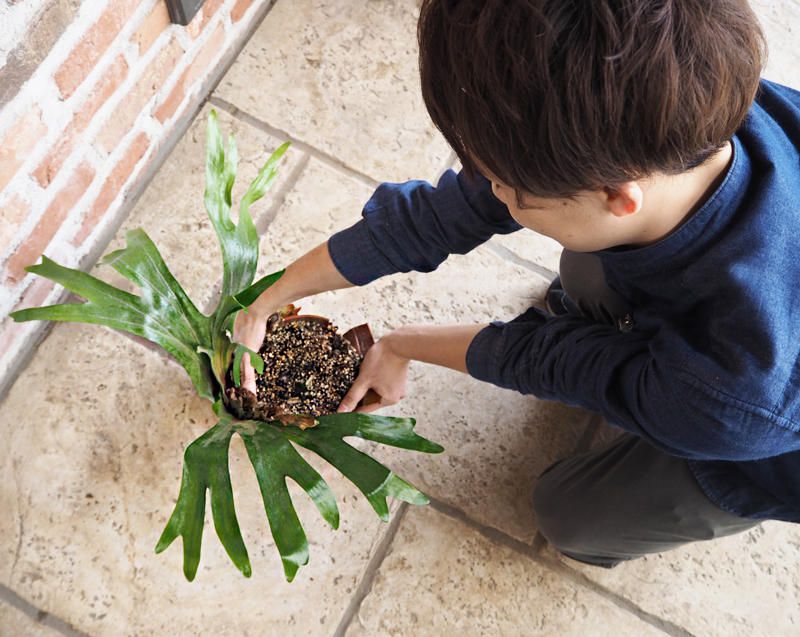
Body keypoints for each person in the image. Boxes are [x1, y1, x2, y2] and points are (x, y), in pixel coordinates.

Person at [234, 0, 800, 568]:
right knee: (585, 266)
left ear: (617, 198)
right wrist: (273, 297)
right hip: (703, 363)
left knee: (571, 516)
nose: (490, 192)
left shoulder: (737, 394)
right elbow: (437, 217)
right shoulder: (678, 98)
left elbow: (554, 361)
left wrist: (403, 343)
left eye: (505, 186)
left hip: (760, 448)